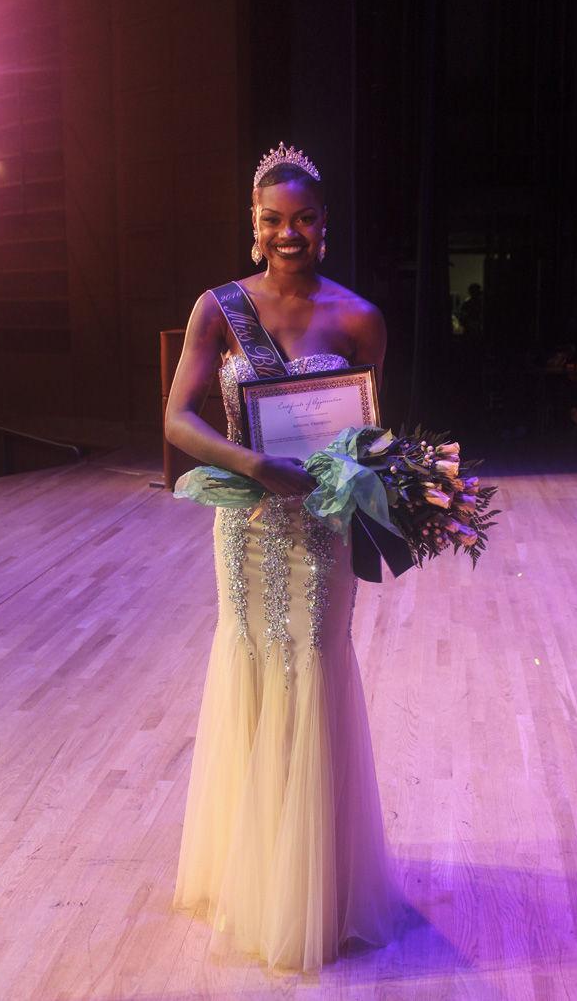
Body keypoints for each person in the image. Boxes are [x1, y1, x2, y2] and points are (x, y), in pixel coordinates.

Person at [165, 142, 409, 973]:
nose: (289, 232)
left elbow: (373, 434)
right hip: (247, 524)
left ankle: (317, 884)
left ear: (324, 225)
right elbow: (179, 420)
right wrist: (254, 465)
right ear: (255, 225)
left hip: (321, 533)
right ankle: (256, 869)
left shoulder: (359, 318)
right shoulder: (218, 307)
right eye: (274, 219)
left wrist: (370, 478)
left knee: (312, 666)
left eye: (304, 218)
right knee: (254, 668)